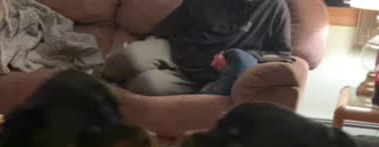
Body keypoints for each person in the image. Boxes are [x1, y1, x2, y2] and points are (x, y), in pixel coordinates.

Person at [101, 0, 292, 96]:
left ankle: (111, 101)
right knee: (128, 58)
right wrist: (149, 41)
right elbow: (174, 23)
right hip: (174, 48)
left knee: (145, 84)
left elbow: (282, 55)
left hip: (201, 76)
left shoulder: (276, 8)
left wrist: (240, 57)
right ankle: (92, 88)